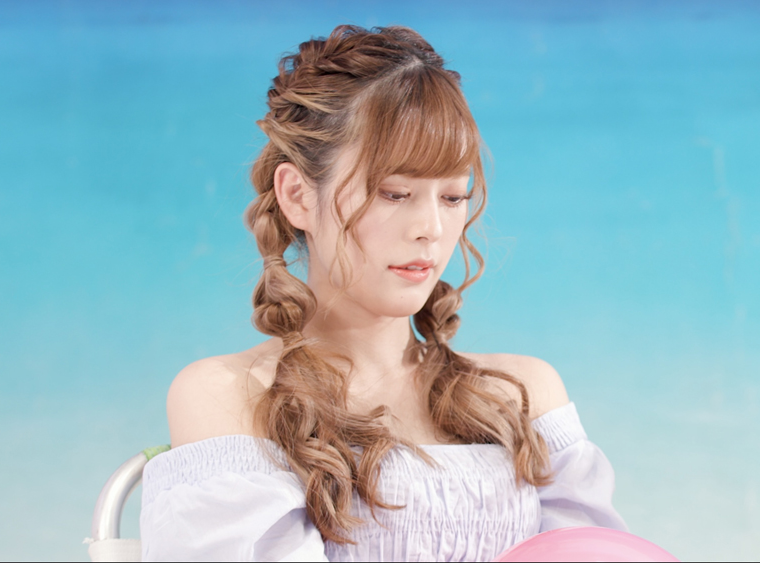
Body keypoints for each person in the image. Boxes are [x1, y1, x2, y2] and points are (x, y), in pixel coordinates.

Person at [139, 24, 626, 562]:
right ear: (298, 196)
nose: (431, 229)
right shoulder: (230, 395)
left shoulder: (521, 395)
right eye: (393, 193)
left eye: (452, 197)